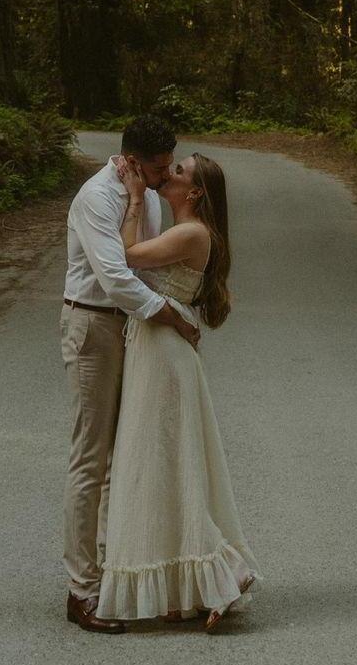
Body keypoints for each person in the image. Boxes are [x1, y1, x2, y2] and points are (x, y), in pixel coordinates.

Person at [96, 151, 258, 630]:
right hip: (157, 346)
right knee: (162, 462)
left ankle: (227, 568)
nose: (170, 173)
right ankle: (183, 586)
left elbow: (126, 255)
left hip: (164, 354)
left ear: (196, 192)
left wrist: (133, 197)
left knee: (166, 460)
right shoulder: (184, 230)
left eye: (180, 171)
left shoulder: (192, 233)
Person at [62, 115, 200, 635]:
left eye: (170, 166)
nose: (167, 176)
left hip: (133, 330)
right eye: (160, 168)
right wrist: (172, 317)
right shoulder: (97, 198)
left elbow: (148, 263)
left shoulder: (151, 197)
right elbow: (117, 277)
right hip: (94, 325)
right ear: (133, 160)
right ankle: (81, 590)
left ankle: (112, 577)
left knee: (124, 459)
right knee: (90, 459)